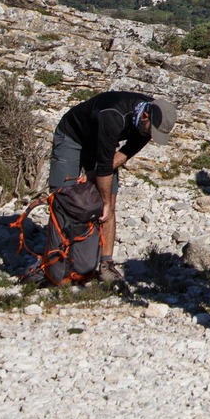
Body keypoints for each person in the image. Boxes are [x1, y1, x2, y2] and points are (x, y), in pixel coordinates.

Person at [46, 89, 176, 278]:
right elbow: (105, 165)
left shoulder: (150, 120)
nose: (151, 136)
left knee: (110, 204)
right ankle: (56, 263)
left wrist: (99, 191)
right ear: (145, 115)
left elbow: (121, 155)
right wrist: (100, 197)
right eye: (151, 131)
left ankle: (105, 264)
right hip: (72, 137)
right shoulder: (113, 115)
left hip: (101, 143)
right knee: (63, 198)